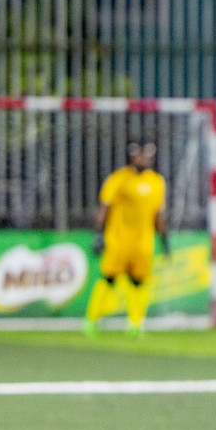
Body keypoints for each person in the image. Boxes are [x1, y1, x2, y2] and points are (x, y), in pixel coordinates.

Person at [84, 140, 169, 335]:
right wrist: (98, 234)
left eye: (147, 154)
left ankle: (136, 323)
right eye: (139, 153)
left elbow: (158, 214)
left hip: (142, 242)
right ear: (131, 155)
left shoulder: (157, 182)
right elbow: (104, 207)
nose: (143, 158)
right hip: (118, 240)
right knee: (109, 278)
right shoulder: (118, 179)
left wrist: (165, 240)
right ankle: (91, 320)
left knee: (139, 282)